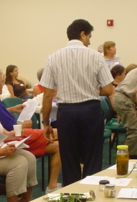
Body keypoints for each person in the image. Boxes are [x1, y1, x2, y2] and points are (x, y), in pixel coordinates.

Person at [40, 19, 114, 186]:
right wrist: (90, 89)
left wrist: (46, 122)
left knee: (69, 160)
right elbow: (109, 90)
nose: (90, 40)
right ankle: (91, 194)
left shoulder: (53, 57)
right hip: (91, 111)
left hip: (66, 112)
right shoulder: (96, 56)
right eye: (89, 36)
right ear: (82, 34)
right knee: (92, 158)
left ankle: (71, 198)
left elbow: (47, 94)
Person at [0, 69, 62, 193]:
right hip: (15, 135)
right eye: (2, 82)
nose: (4, 85)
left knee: (59, 145)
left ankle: (52, 185)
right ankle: (76, 165)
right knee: (61, 133)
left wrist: (11, 109)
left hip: (16, 132)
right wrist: (21, 125)